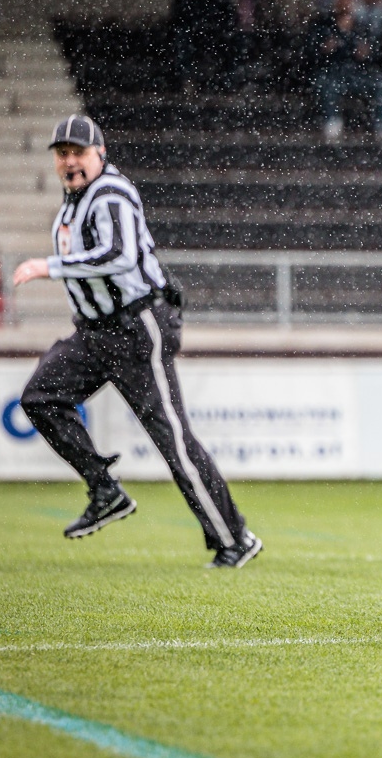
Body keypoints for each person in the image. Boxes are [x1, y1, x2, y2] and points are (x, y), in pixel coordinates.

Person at [13, 115, 262, 569]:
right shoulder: (72, 204)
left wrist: (48, 266)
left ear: (100, 154)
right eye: (62, 153)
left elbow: (120, 254)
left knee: (173, 441)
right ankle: (104, 489)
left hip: (135, 328)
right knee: (41, 397)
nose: (69, 161)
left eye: (78, 152)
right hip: (95, 332)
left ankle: (234, 538)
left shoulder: (110, 192)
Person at [310, 0, 382, 139]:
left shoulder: (360, 28)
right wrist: (325, 49)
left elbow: (374, 52)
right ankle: (332, 119)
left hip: (357, 73)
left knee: (381, 84)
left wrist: (366, 53)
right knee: (325, 84)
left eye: (348, 1)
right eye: (341, 2)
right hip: (334, 72)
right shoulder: (325, 26)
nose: (345, 5)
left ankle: (381, 122)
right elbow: (312, 52)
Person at [169, 0, 236, 92]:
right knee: (183, 39)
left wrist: (217, 24)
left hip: (214, 29)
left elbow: (229, 13)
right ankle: (187, 79)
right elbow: (181, 13)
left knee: (232, 41)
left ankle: (226, 82)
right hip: (192, 29)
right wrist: (197, 24)